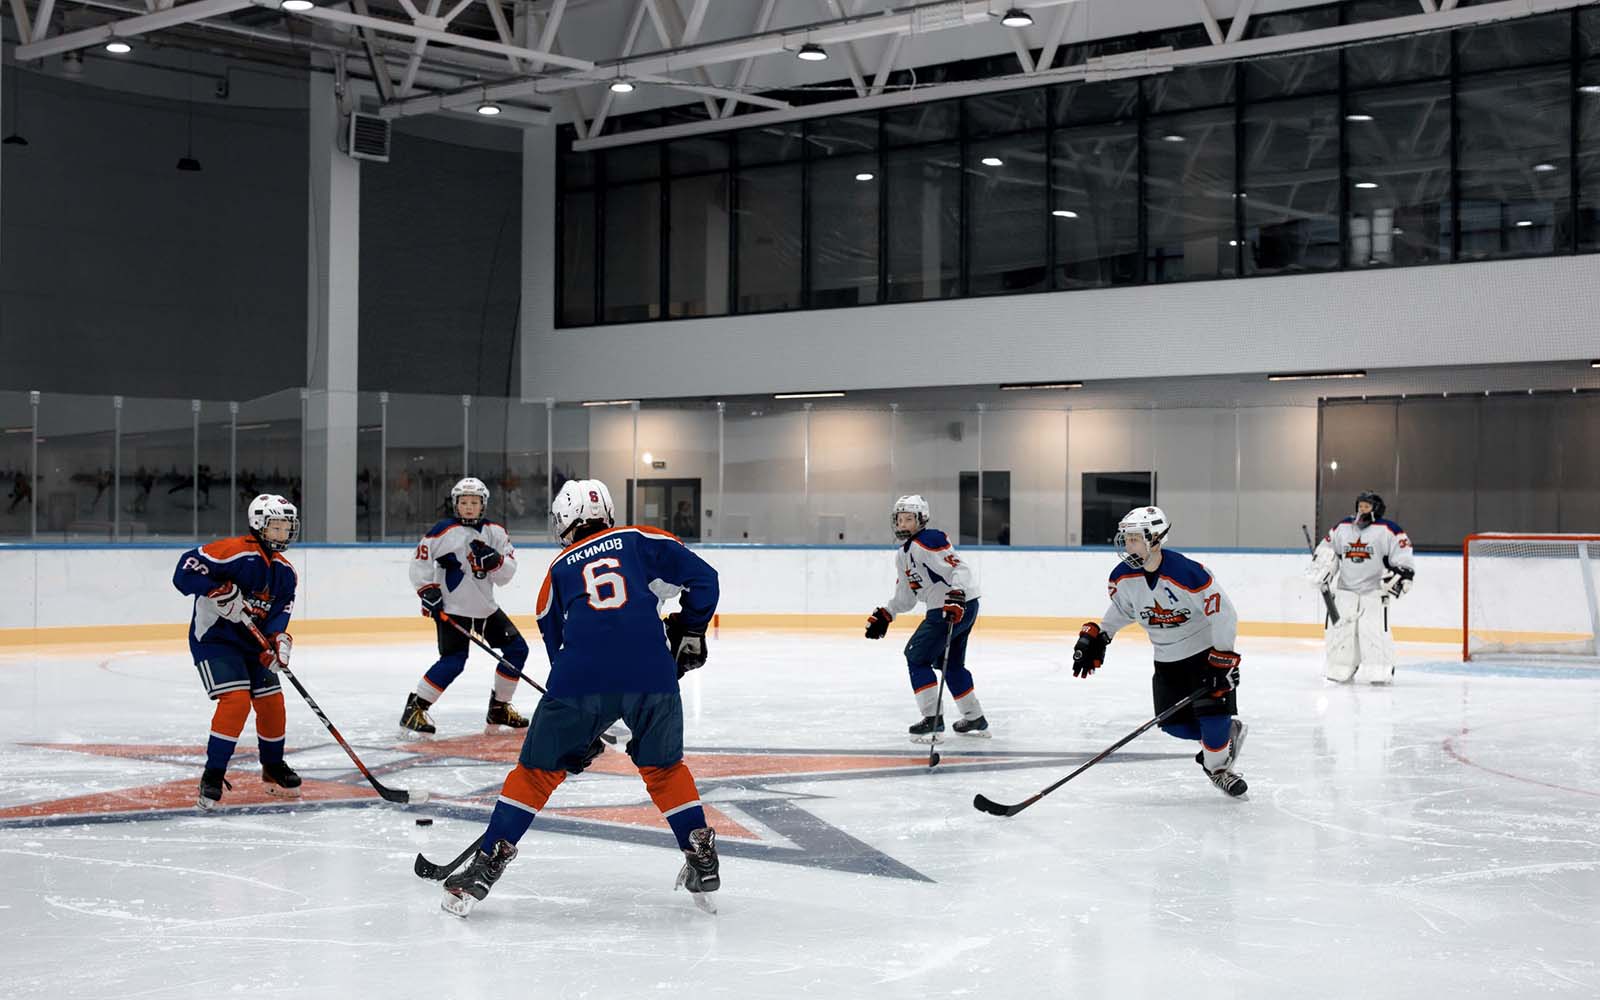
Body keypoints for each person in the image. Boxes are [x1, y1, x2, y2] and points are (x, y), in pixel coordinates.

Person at [439, 478, 722, 917]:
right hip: (653, 674)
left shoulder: (556, 572)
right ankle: (700, 854)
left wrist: (577, 734)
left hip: (581, 680)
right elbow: (705, 579)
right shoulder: (642, 538)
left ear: (564, 521)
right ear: (606, 512)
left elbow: (557, 649)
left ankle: (485, 866)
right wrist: (692, 627)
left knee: (535, 775)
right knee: (665, 769)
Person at [1071, 506, 1248, 797]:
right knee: (1173, 725)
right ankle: (1226, 733)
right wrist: (1102, 635)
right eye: (1125, 539)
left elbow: (1224, 613)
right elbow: (1124, 609)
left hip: (1204, 654)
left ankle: (1219, 769)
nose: (1127, 545)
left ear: (1154, 539)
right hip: (1166, 660)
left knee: (1212, 716)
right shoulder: (1122, 577)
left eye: (1134, 539)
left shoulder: (1187, 573)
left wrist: (1223, 658)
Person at [170, 494, 302, 810]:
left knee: (272, 702)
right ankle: (213, 774)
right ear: (258, 524)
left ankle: (272, 768)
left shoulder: (285, 571)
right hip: (215, 640)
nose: (283, 534)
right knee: (236, 700)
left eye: (287, 528)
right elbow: (183, 573)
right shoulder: (234, 552)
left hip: (252, 645)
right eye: (277, 527)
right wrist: (215, 589)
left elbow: (279, 614)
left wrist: (278, 643)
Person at [401, 477, 526, 735]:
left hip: (485, 608)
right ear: (456, 504)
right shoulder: (441, 531)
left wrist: (495, 562)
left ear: (484, 505)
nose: (469, 507)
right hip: (452, 608)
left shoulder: (496, 533)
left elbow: (506, 575)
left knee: (517, 650)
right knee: (454, 660)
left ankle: (499, 708)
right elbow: (420, 562)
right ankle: (415, 709)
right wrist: (428, 591)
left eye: (475, 502)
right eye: (464, 502)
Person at [863, 494, 990, 739]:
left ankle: (933, 719)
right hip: (955, 605)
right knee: (950, 664)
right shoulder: (903, 554)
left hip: (952, 606)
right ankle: (974, 717)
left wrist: (956, 594)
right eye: (900, 519)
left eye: (909, 519)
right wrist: (888, 612)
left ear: (921, 520)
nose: (903, 524)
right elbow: (906, 596)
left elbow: (959, 568)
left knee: (916, 656)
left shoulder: (930, 539)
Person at [1306, 491, 1415, 684]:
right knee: (1340, 632)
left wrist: (1403, 574)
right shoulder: (1343, 527)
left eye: (1367, 506)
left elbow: (1402, 556)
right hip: (1344, 591)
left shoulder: (1389, 529)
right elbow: (1328, 550)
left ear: (1377, 509)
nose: (1362, 509)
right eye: (1360, 505)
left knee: (1373, 632)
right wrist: (1323, 568)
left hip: (1373, 592)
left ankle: (1379, 669)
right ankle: (1340, 667)